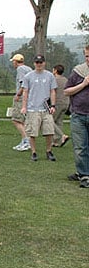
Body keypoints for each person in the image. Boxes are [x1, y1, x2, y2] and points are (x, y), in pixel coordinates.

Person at [20, 55, 57, 162]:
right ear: (34, 63)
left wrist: (53, 105)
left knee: (49, 131)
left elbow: (53, 91)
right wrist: (24, 106)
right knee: (32, 132)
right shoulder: (28, 76)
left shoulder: (50, 76)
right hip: (33, 108)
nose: (39, 64)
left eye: (40, 62)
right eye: (37, 62)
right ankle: (34, 152)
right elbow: (25, 92)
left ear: (44, 63)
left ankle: (49, 150)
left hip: (46, 108)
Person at [63, 45, 89, 188]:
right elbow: (67, 91)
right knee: (80, 147)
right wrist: (84, 84)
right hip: (78, 114)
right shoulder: (78, 71)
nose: (88, 59)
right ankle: (83, 174)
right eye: (86, 56)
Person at [9, 54, 32, 151]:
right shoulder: (29, 68)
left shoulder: (20, 69)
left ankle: (26, 141)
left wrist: (18, 94)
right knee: (24, 121)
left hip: (22, 97)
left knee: (16, 119)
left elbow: (23, 83)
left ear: (15, 61)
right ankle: (25, 140)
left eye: (13, 61)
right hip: (30, 97)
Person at [51, 64, 69, 147]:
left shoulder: (54, 80)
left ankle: (62, 136)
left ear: (55, 70)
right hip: (66, 103)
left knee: (50, 121)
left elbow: (51, 91)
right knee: (59, 121)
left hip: (57, 103)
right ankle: (57, 141)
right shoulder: (66, 80)